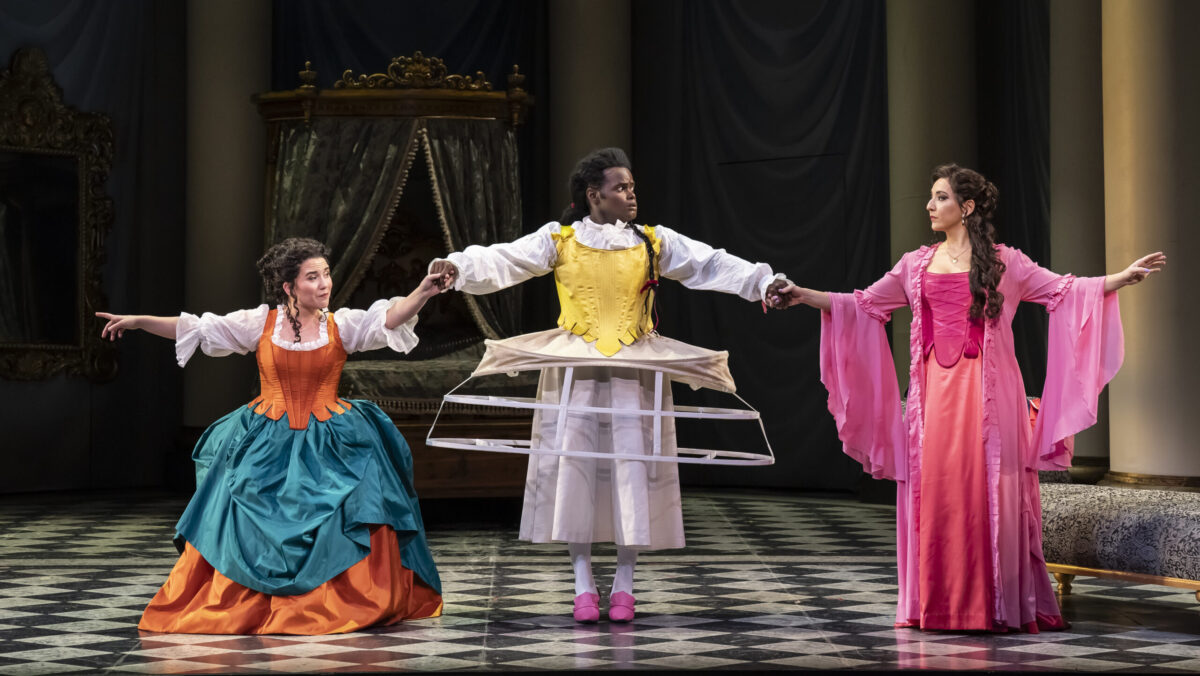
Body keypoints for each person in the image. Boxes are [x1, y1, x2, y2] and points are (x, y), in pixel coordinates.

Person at [774, 164, 1165, 632]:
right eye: (932, 197)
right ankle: (939, 604)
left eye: (940, 197)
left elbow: (1064, 290)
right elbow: (862, 305)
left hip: (991, 398)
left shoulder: (1006, 263)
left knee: (987, 493)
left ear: (968, 207)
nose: (929, 205)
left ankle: (991, 604)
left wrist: (1120, 277)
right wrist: (803, 295)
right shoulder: (914, 265)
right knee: (939, 491)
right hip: (933, 401)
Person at [429, 148, 789, 623]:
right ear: (593, 195)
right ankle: (582, 581)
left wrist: (762, 283)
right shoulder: (559, 240)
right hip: (574, 371)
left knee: (632, 469)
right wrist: (458, 267)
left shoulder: (653, 242)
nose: (631, 195)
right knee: (575, 467)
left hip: (633, 371)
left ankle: (624, 582)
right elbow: (506, 259)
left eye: (632, 187)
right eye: (621, 188)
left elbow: (710, 263)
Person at [96, 237, 449, 634]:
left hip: (330, 436)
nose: (324, 283)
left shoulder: (342, 325)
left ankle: (343, 598)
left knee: (361, 494)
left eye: (326, 274)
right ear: (288, 286)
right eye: (312, 277)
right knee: (241, 500)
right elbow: (198, 326)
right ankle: (248, 598)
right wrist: (139, 321)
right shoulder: (261, 323)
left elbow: (389, 318)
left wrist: (423, 291)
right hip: (268, 437)